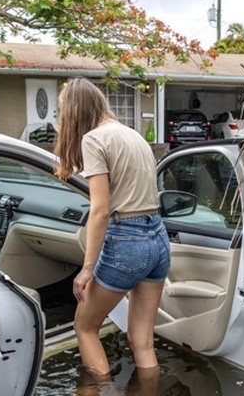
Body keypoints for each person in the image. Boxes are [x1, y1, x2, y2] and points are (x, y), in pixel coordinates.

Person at [55, 77, 170, 376]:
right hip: (158, 238)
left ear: (73, 111)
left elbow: (100, 210)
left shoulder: (93, 139)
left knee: (85, 326)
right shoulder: (132, 135)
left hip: (126, 242)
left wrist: (86, 269)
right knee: (142, 341)